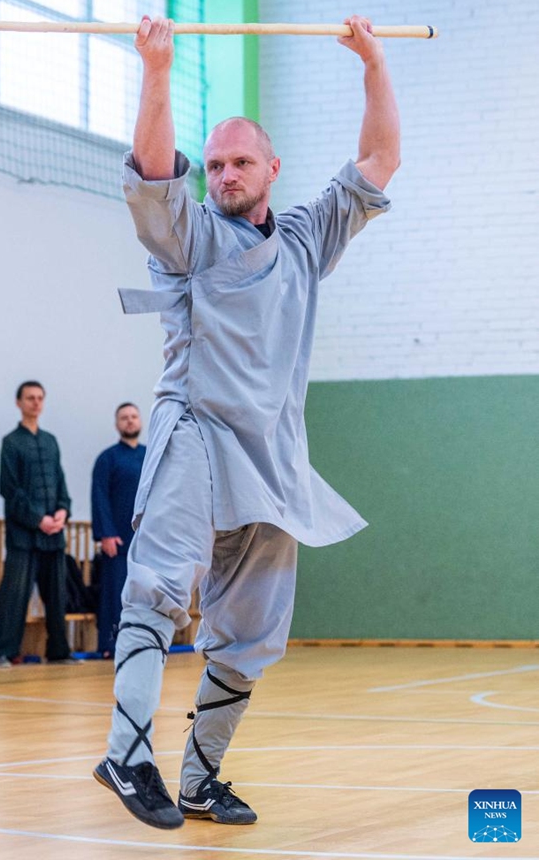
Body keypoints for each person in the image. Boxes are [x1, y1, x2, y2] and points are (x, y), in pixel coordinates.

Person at [93, 15, 400, 829]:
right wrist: (156, 69)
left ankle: (198, 779)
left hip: (273, 458)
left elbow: (379, 160)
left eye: (238, 161)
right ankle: (126, 755)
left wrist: (372, 62)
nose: (223, 172)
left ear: (270, 167)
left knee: (253, 632)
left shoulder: (304, 239)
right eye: (216, 162)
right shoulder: (191, 237)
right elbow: (156, 171)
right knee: (159, 588)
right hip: (194, 430)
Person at [0, 381, 75, 667]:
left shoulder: (50, 441)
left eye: (39, 398)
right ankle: (1, 652)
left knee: (57, 595)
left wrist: (63, 510)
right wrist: (39, 520)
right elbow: (9, 490)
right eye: (30, 398)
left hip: (53, 535)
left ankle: (59, 651)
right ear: (19, 403)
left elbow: (60, 482)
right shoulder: (11, 442)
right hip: (23, 536)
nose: (35, 403)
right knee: (14, 595)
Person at [91, 403, 146, 659]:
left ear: (140, 421)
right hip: (118, 540)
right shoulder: (107, 458)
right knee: (115, 595)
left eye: (134, 416)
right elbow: (99, 496)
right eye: (124, 418)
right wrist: (106, 534)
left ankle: (144, 643)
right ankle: (111, 644)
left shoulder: (151, 455)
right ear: (117, 424)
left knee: (145, 595)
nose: (130, 421)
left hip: (147, 540)